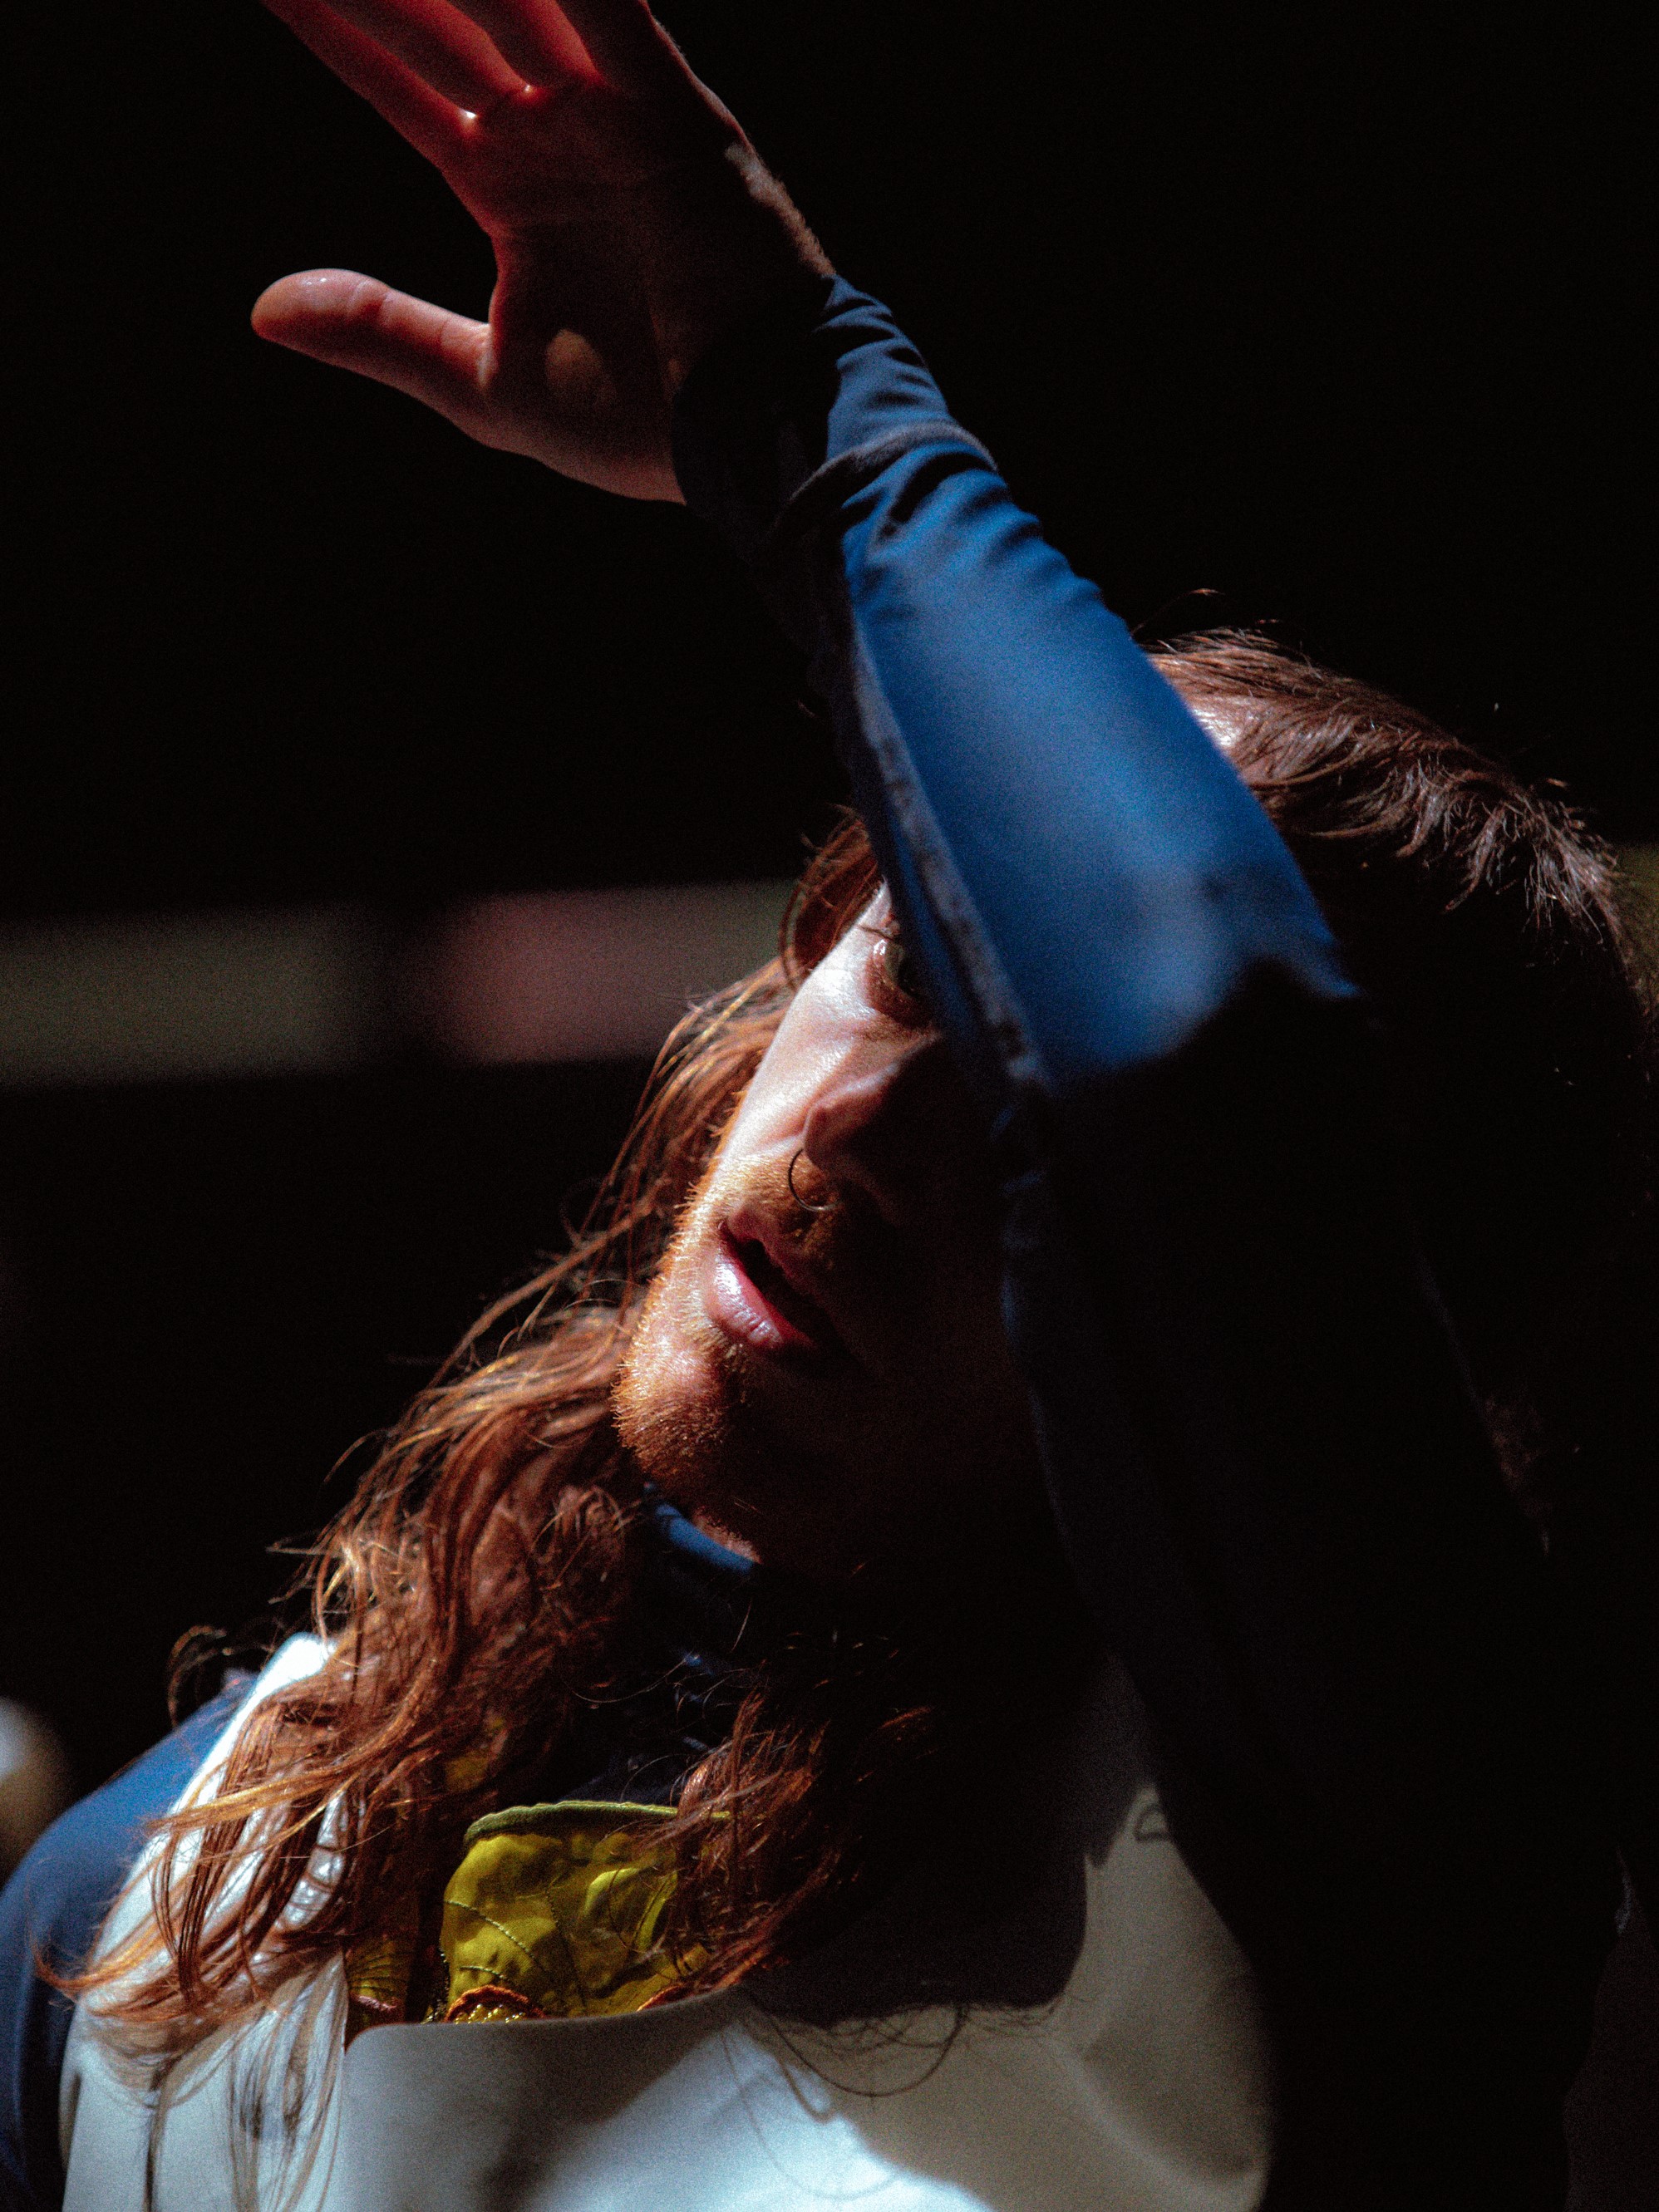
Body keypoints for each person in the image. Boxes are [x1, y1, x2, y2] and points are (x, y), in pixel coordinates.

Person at [2, 2, 1654, 2207]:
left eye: (1028, 1114)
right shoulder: (154, 1888)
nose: (884, 1137)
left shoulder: (1368, 1820)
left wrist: (795, 390)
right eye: (904, 962)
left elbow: (1179, 1054)